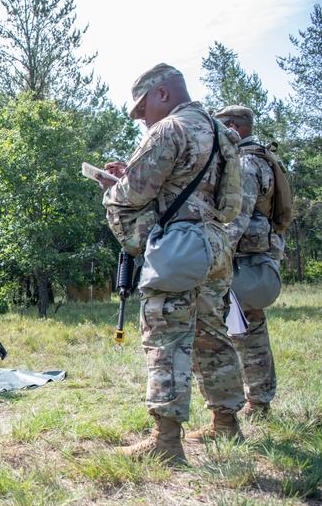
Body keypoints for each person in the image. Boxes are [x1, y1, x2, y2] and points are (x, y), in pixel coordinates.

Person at [102, 63, 245, 465]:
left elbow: (133, 195)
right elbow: (230, 205)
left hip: (179, 248)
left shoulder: (169, 129)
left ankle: (165, 442)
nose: (142, 119)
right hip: (216, 245)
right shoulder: (221, 133)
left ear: (162, 94)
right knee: (212, 334)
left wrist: (112, 188)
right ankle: (226, 422)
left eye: (142, 108)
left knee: (166, 336)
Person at [214, 105, 284, 421]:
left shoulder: (245, 163)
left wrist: (214, 256)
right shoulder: (263, 158)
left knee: (245, 333)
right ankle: (258, 402)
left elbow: (236, 218)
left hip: (244, 262)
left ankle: (255, 403)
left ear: (233, 127)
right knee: (250, 329)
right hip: (257, 258)